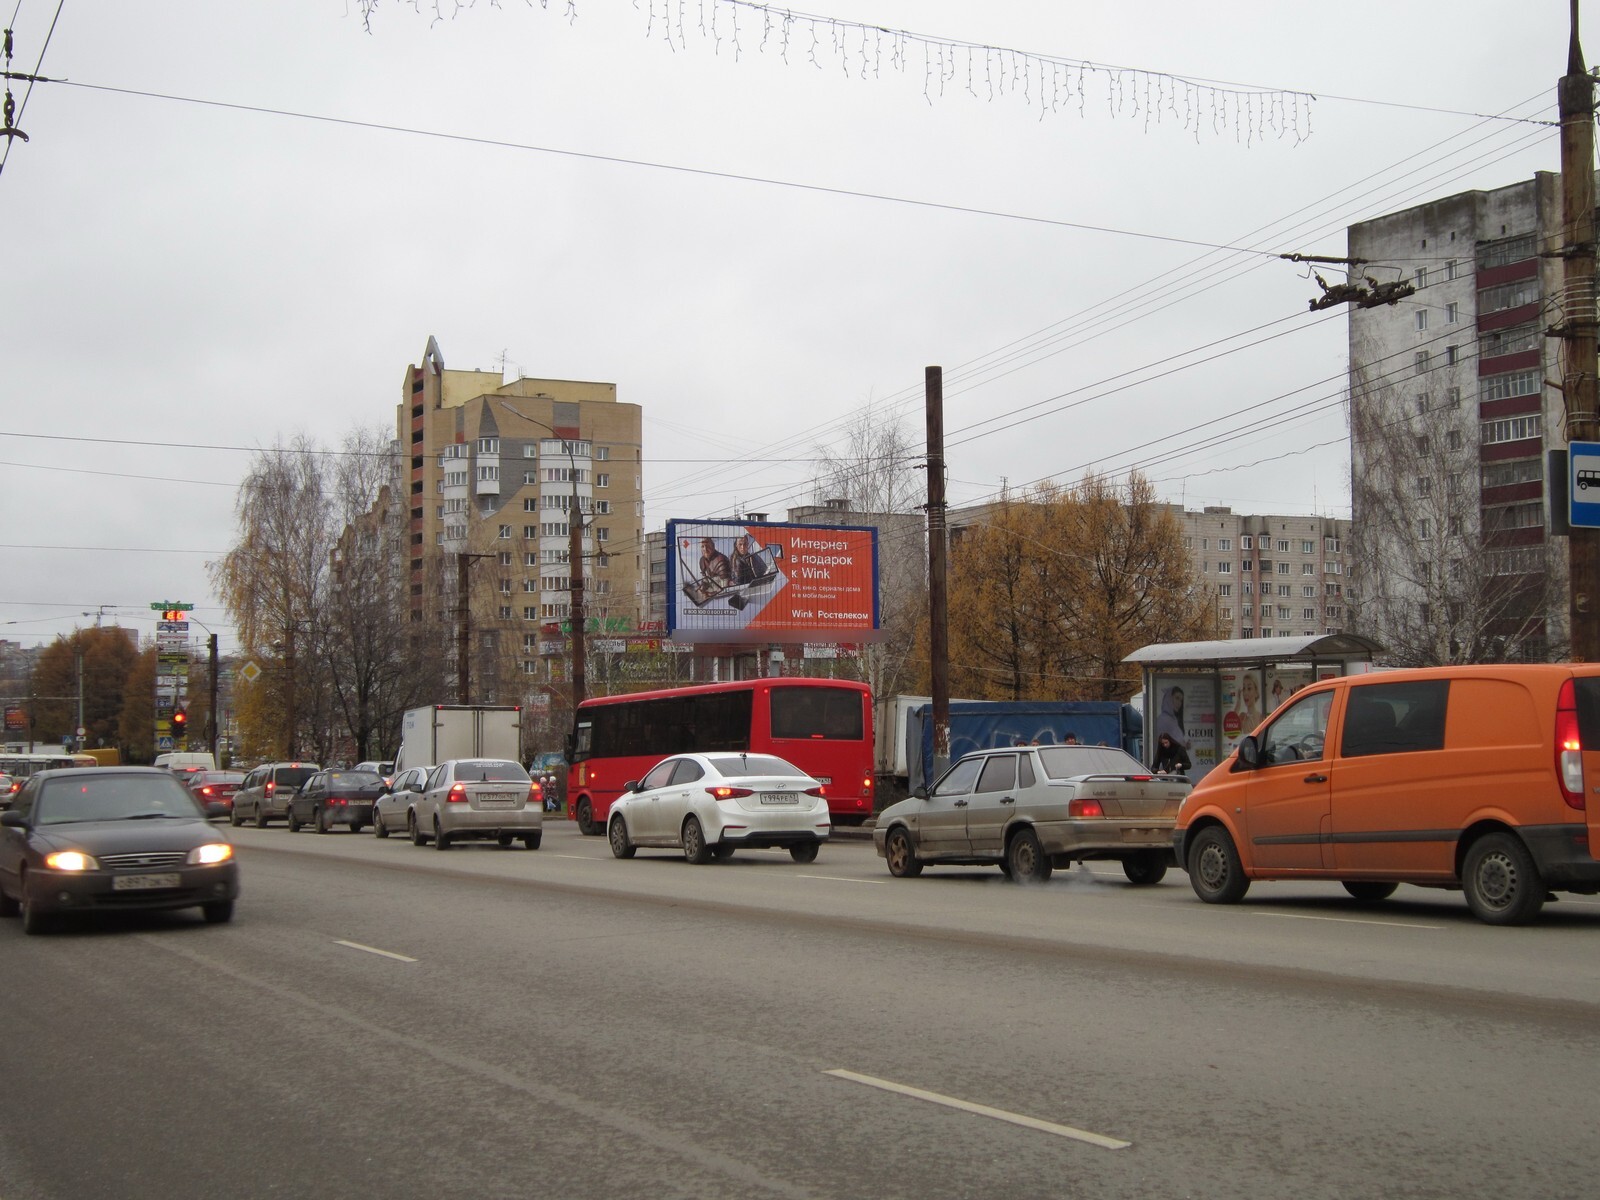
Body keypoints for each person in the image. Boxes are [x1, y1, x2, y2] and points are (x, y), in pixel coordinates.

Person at [1155, 685, 1188, 750]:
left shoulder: (1173, 719)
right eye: (1177, 698)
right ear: (1169, 698)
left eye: (1181, 700)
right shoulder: (1162, 720)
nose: (1179, 703)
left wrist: (1184, 745)